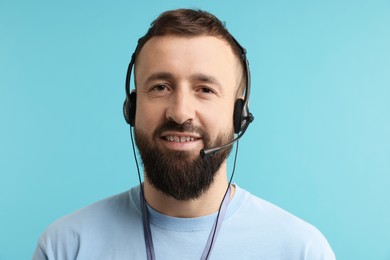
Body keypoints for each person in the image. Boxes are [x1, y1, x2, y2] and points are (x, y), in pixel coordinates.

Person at [33, 9, 336, 260]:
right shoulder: (65, 246)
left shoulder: (302, 250)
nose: (180, 113)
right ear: (132, 107)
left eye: (205, 89)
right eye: (161, 87)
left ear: (238, 114)